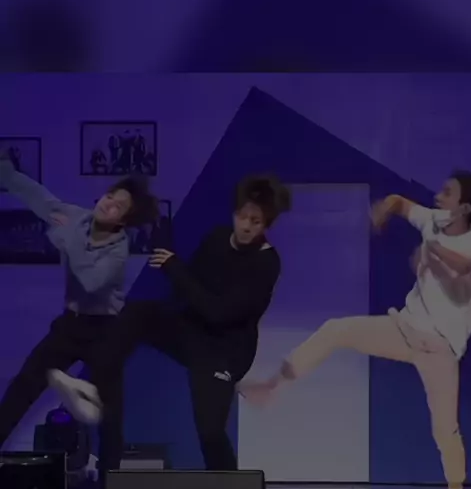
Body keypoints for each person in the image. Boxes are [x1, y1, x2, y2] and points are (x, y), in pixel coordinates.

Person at [239, 171, 471, 489]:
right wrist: (384, 209)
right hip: (404, 329)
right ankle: (273, 387)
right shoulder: (433, 220)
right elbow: (400, 202)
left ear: (464, 207)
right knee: (336, 329)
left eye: (447, 193)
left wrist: (431, 251)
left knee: (446, 428)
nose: (438, 196)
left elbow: (463, 273)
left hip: (441, 349)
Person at [49, 175, 291, 472]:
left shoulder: (267, 263)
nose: (246, 226)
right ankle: (92, 392)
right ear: (234, 213)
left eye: (256, 221)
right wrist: (169, 262)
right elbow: (189, 287)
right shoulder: (217, 237)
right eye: (242, 217)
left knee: (210, 432)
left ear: (266, 225)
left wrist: (173, 267)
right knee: (137, 314)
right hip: (191, 330)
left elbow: (219, 312)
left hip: (224, 352)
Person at [0, 155, 159, 477]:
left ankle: (111, 486)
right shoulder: (75, 218)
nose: (108, 204)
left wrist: (66, 240)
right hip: (70, 324)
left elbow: (90, 282)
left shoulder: (118, 251)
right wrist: (6, 171)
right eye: (110, 196)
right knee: (23, 385)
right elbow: (38, 197)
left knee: (110, 411)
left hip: (106, 332)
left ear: (123, 221)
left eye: (118, 206)